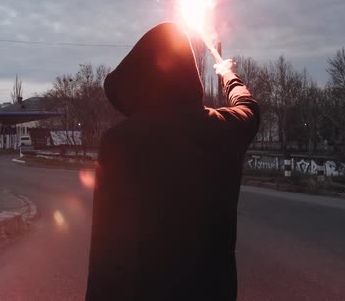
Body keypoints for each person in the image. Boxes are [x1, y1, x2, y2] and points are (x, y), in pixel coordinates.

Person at [86, 22, 260, 301]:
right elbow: (249, 107)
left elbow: (107, 255)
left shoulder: (121, 142)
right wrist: (230, 78)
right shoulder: (225, 129)